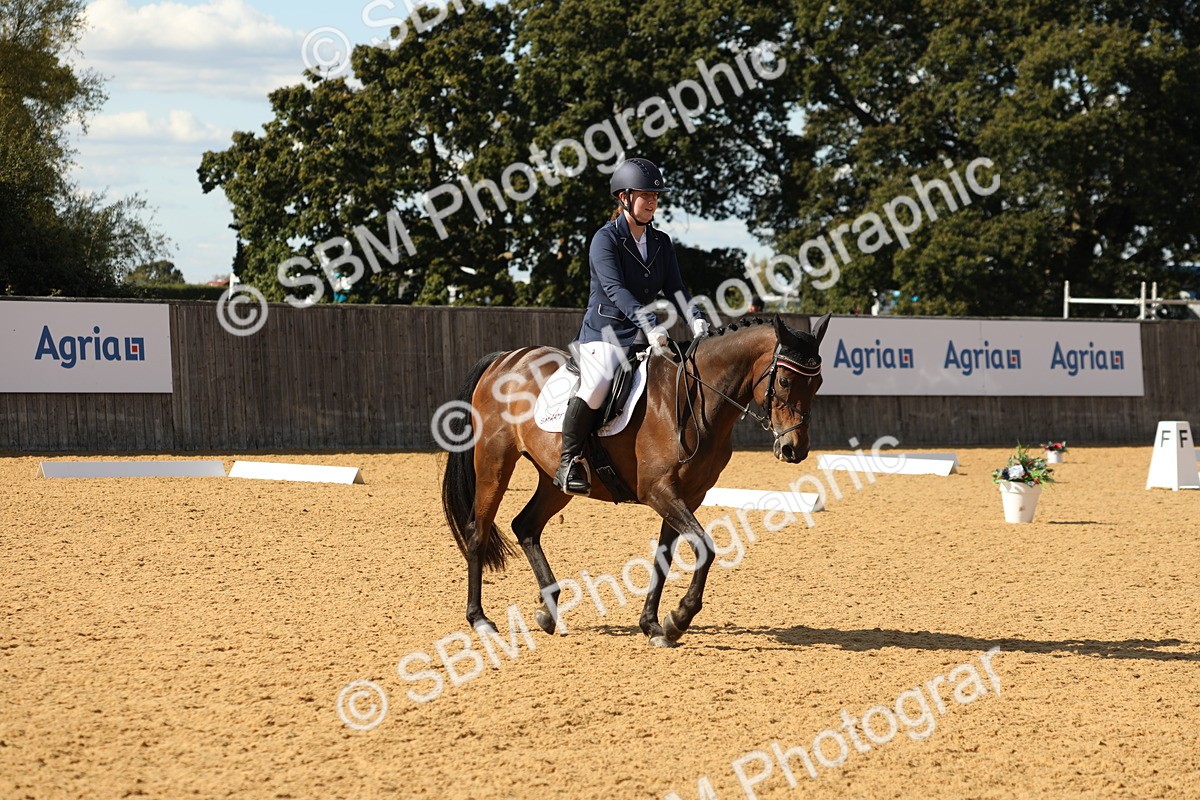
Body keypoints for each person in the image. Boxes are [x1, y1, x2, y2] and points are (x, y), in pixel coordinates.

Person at [554, 157, 709, 496]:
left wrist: (695, 316)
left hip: (642, 334)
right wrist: (650, 323)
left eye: (655, 195)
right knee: (596, 384)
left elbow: (676, 289)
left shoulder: (661, 242)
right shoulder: (604, 239)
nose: (652, 201)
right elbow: (614, 290)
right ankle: (568, 461)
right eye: (645, 195)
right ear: (623, 197)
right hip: (604, 332)